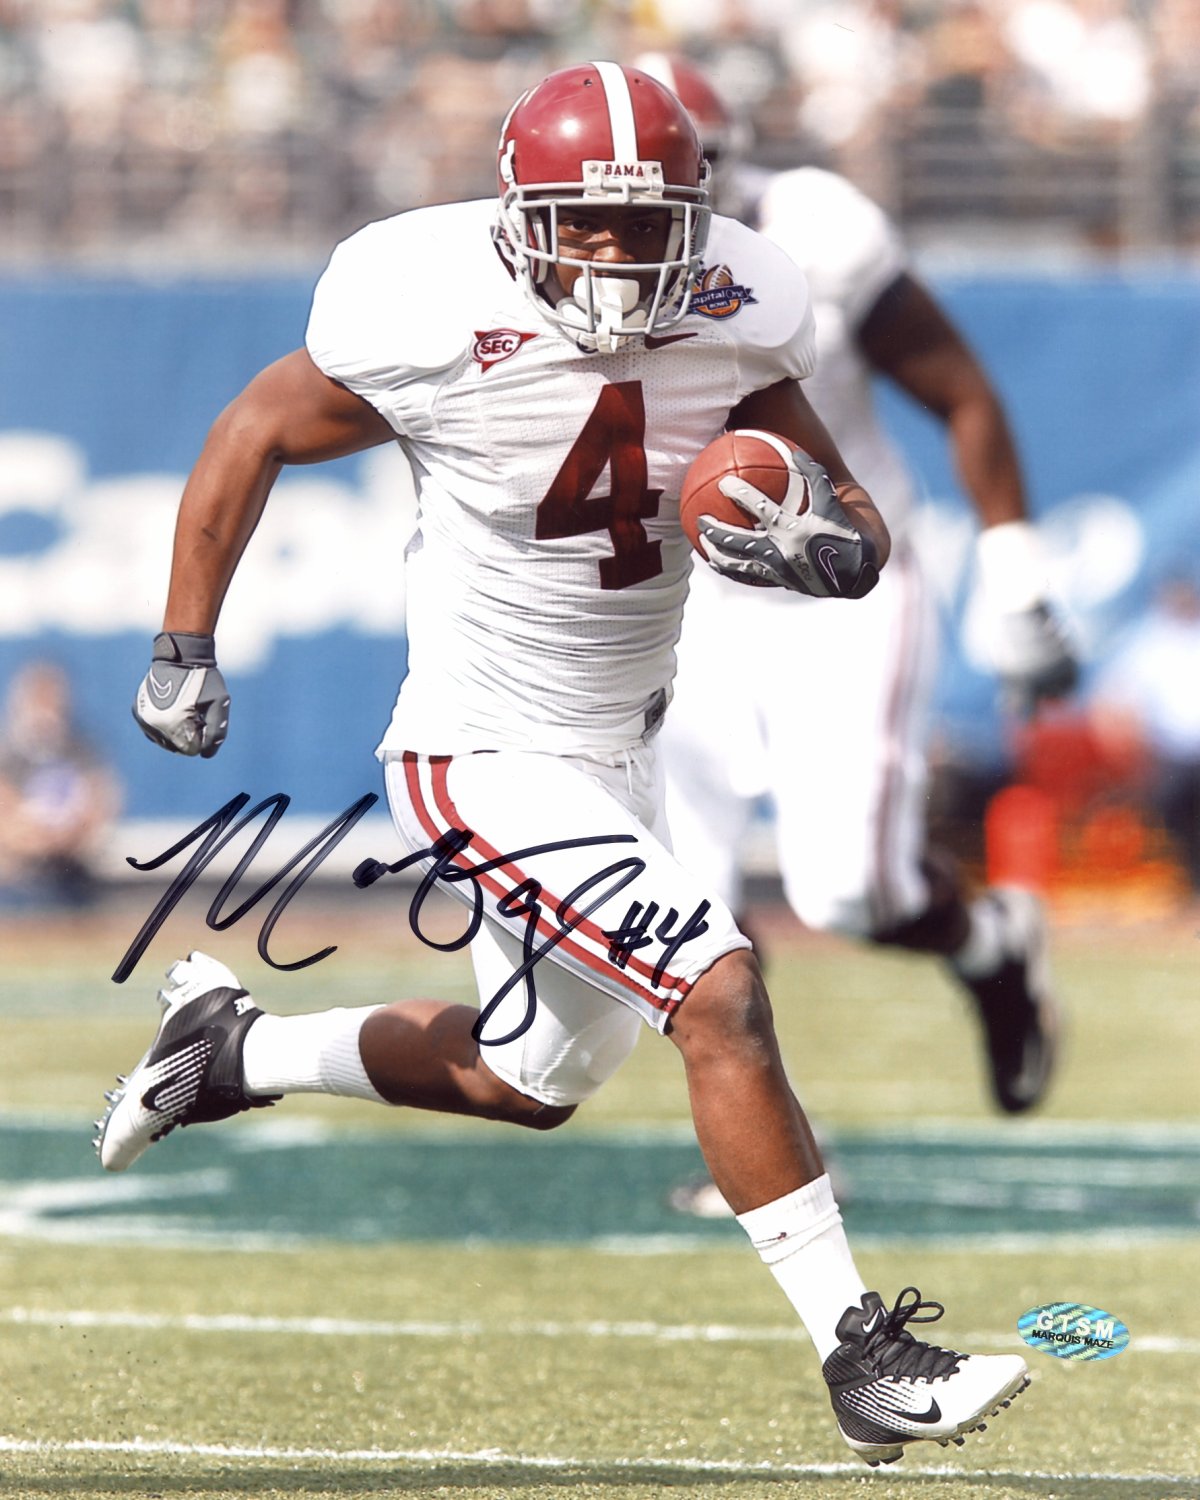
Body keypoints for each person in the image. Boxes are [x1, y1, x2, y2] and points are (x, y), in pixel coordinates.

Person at [95, 62, 1029, 1467]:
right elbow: (253, 432)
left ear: (697, 218)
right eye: (581, 220)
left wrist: (821, 547)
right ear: (518, 216)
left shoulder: (743, 306)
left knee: (530, 1080)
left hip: (618, 750)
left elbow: (854, 516)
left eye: (645, 221)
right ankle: (865, 1360)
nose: (612, 249)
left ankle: (236, 1049)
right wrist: (184, 641)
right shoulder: (425, 305)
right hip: (479, 750)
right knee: (719, 991)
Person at [635, 53, 1077, 1140]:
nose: (639, 215)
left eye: (672, 172)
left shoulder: (811, 231)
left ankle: (989, 944)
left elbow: (960, 390)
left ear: (721, 163)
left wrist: (1016, 575)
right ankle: (772, 1149)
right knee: (687, 909)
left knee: (849, 890)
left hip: (841, 582)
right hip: (685, 604)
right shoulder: (541, 273)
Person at [0, 659, 120, 907]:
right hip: (17, 881)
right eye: (39, 698)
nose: (46, 708)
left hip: (73, 875)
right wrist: (32, 836)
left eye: (52, 698)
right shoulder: (8, 754)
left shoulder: (82, 750)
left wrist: (69, 834)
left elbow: (101, 801)